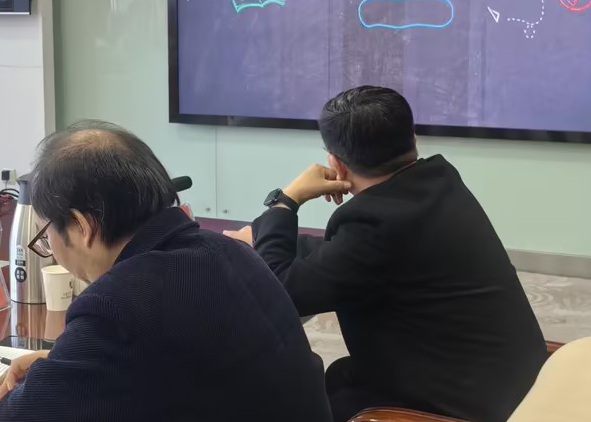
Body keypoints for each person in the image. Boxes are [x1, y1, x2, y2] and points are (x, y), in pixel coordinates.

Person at [225, 86, 546, 422]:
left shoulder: (373, 222)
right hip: (510, 381)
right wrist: (264, 237)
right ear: (413, 138)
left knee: (294, 397)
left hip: (460, 406)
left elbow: (283, 293)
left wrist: (285, 201)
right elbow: (358, 256)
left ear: (336, 163)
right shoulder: (438, 180)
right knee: (337, 379)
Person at [0, 121, 331, 422]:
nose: (49, 246)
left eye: (46, 234)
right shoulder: (229, 251)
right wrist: (67, 361)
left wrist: (62, 371)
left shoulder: (117, 305)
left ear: (81, 225)